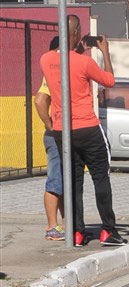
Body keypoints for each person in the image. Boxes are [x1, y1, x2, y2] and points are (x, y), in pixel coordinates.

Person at [39, 17, 124, 247]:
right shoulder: (85, 63)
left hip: (63, 131)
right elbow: (110, 81)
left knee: (73, 182)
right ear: (76, 34)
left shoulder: (45, 60)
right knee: (100, 178)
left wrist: (77, 47)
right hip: (88, 128)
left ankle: (77, 232)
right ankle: (108, 231)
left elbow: (64, 62)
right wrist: (104, 52)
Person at [34, 37, 65, 240]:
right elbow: (39, 101)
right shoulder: (53, 74)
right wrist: (50, 126)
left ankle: (68, 226)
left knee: (64, 180)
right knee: (55, 180)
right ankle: (52, 227)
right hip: (56, 135)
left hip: (65, 134)